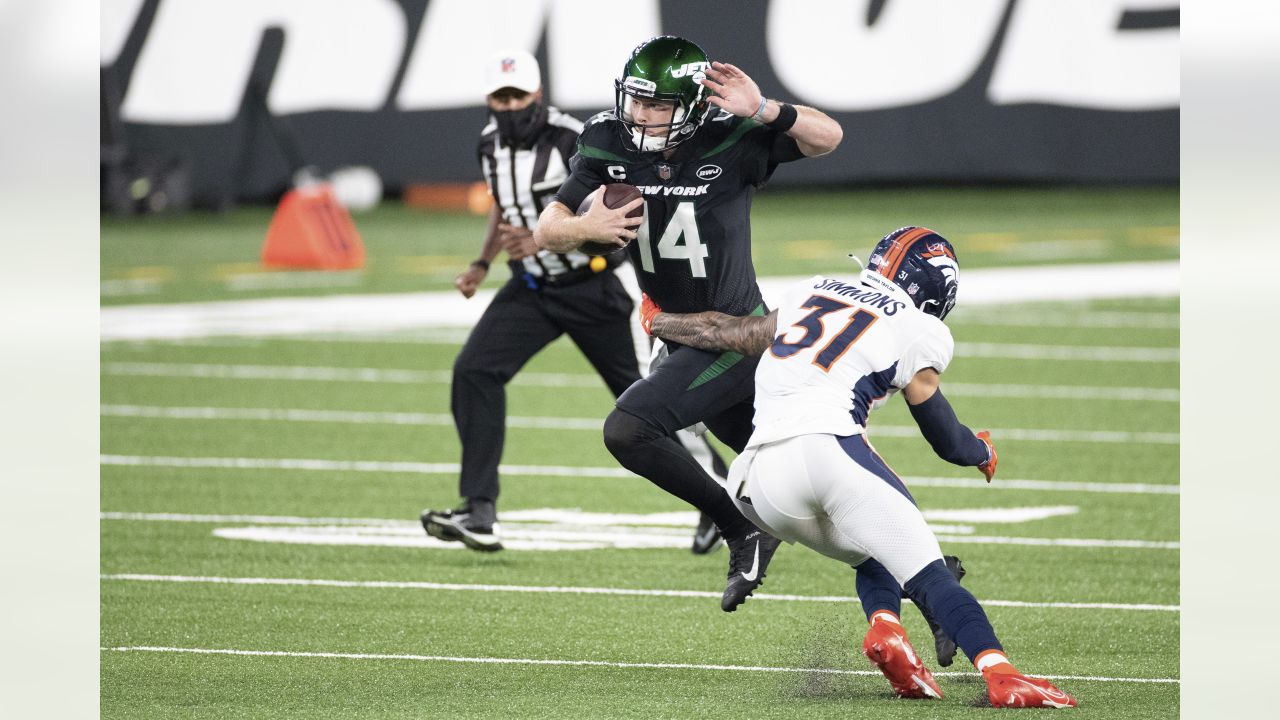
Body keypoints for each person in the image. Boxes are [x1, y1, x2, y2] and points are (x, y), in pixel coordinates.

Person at [640, 226, 1078, 709]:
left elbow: (731, 333)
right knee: (930, 573)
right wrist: (981, 451)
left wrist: (659, 321)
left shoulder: (814, 288)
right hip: (827, 452)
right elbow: (944, 438)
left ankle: (888, 632)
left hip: (757, 482)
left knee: (873, 552)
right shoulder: (920, 328)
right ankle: (1002, 676)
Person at [533, 35, 844, 611]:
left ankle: (738, 528)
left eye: (657, 106)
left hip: (734, 335)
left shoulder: (731, 134)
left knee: (629, 429)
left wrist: (768, 110)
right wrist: (585, 229)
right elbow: (545, 227)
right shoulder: (605, 139)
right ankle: (921, 574)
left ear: (693, 104)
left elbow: (829, 137)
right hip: (678, 336)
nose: (641, 117)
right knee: (795, 481)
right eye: (635, 101)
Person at [421, 49, 731, 554]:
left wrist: (543, 238)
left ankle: (718, 497)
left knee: (650, 399)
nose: (508, 105)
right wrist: (482, 262)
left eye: (516, 95)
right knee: (474, 371)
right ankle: (479, 511)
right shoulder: (488, 145)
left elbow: (620, 204)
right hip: (534, 287)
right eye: (498, 97)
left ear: (537, 94)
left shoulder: (578, 137)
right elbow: (507, 205)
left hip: (596, 285)